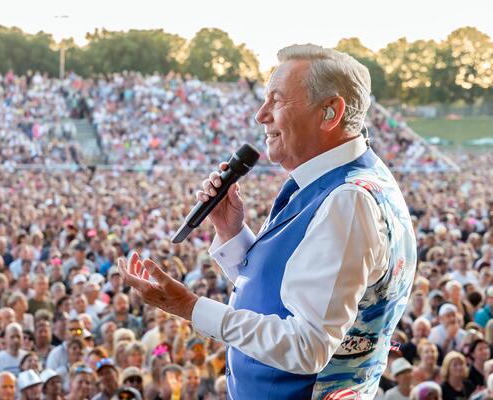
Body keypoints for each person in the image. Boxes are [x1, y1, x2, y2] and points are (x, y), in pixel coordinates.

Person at [119, 44, 417, 398]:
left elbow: (308, 346)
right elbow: (292, 296)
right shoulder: (348, 180)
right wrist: (231, 233)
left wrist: (190, 307)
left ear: (329, 113)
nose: (261, 115)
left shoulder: (347, 201)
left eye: (276, 100)